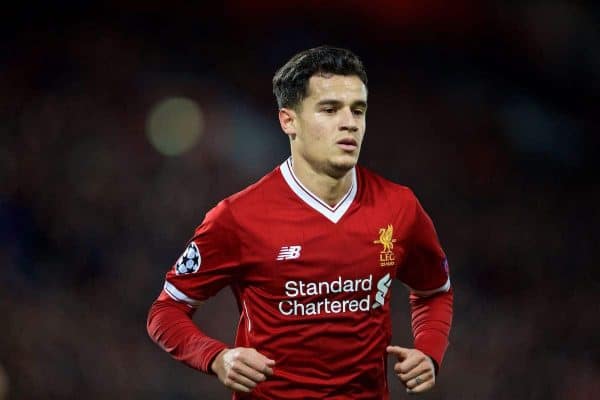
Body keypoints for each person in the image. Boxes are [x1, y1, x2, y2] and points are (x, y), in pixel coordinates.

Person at [147, 45, 453, 399]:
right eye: (329, 109)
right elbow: (166, 311)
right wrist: (217, 357)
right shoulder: (238, 217)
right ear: (288, 120)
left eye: (358, 110)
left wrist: (429, 352)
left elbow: (435, 292)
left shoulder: (399, 206)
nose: (349, 122)